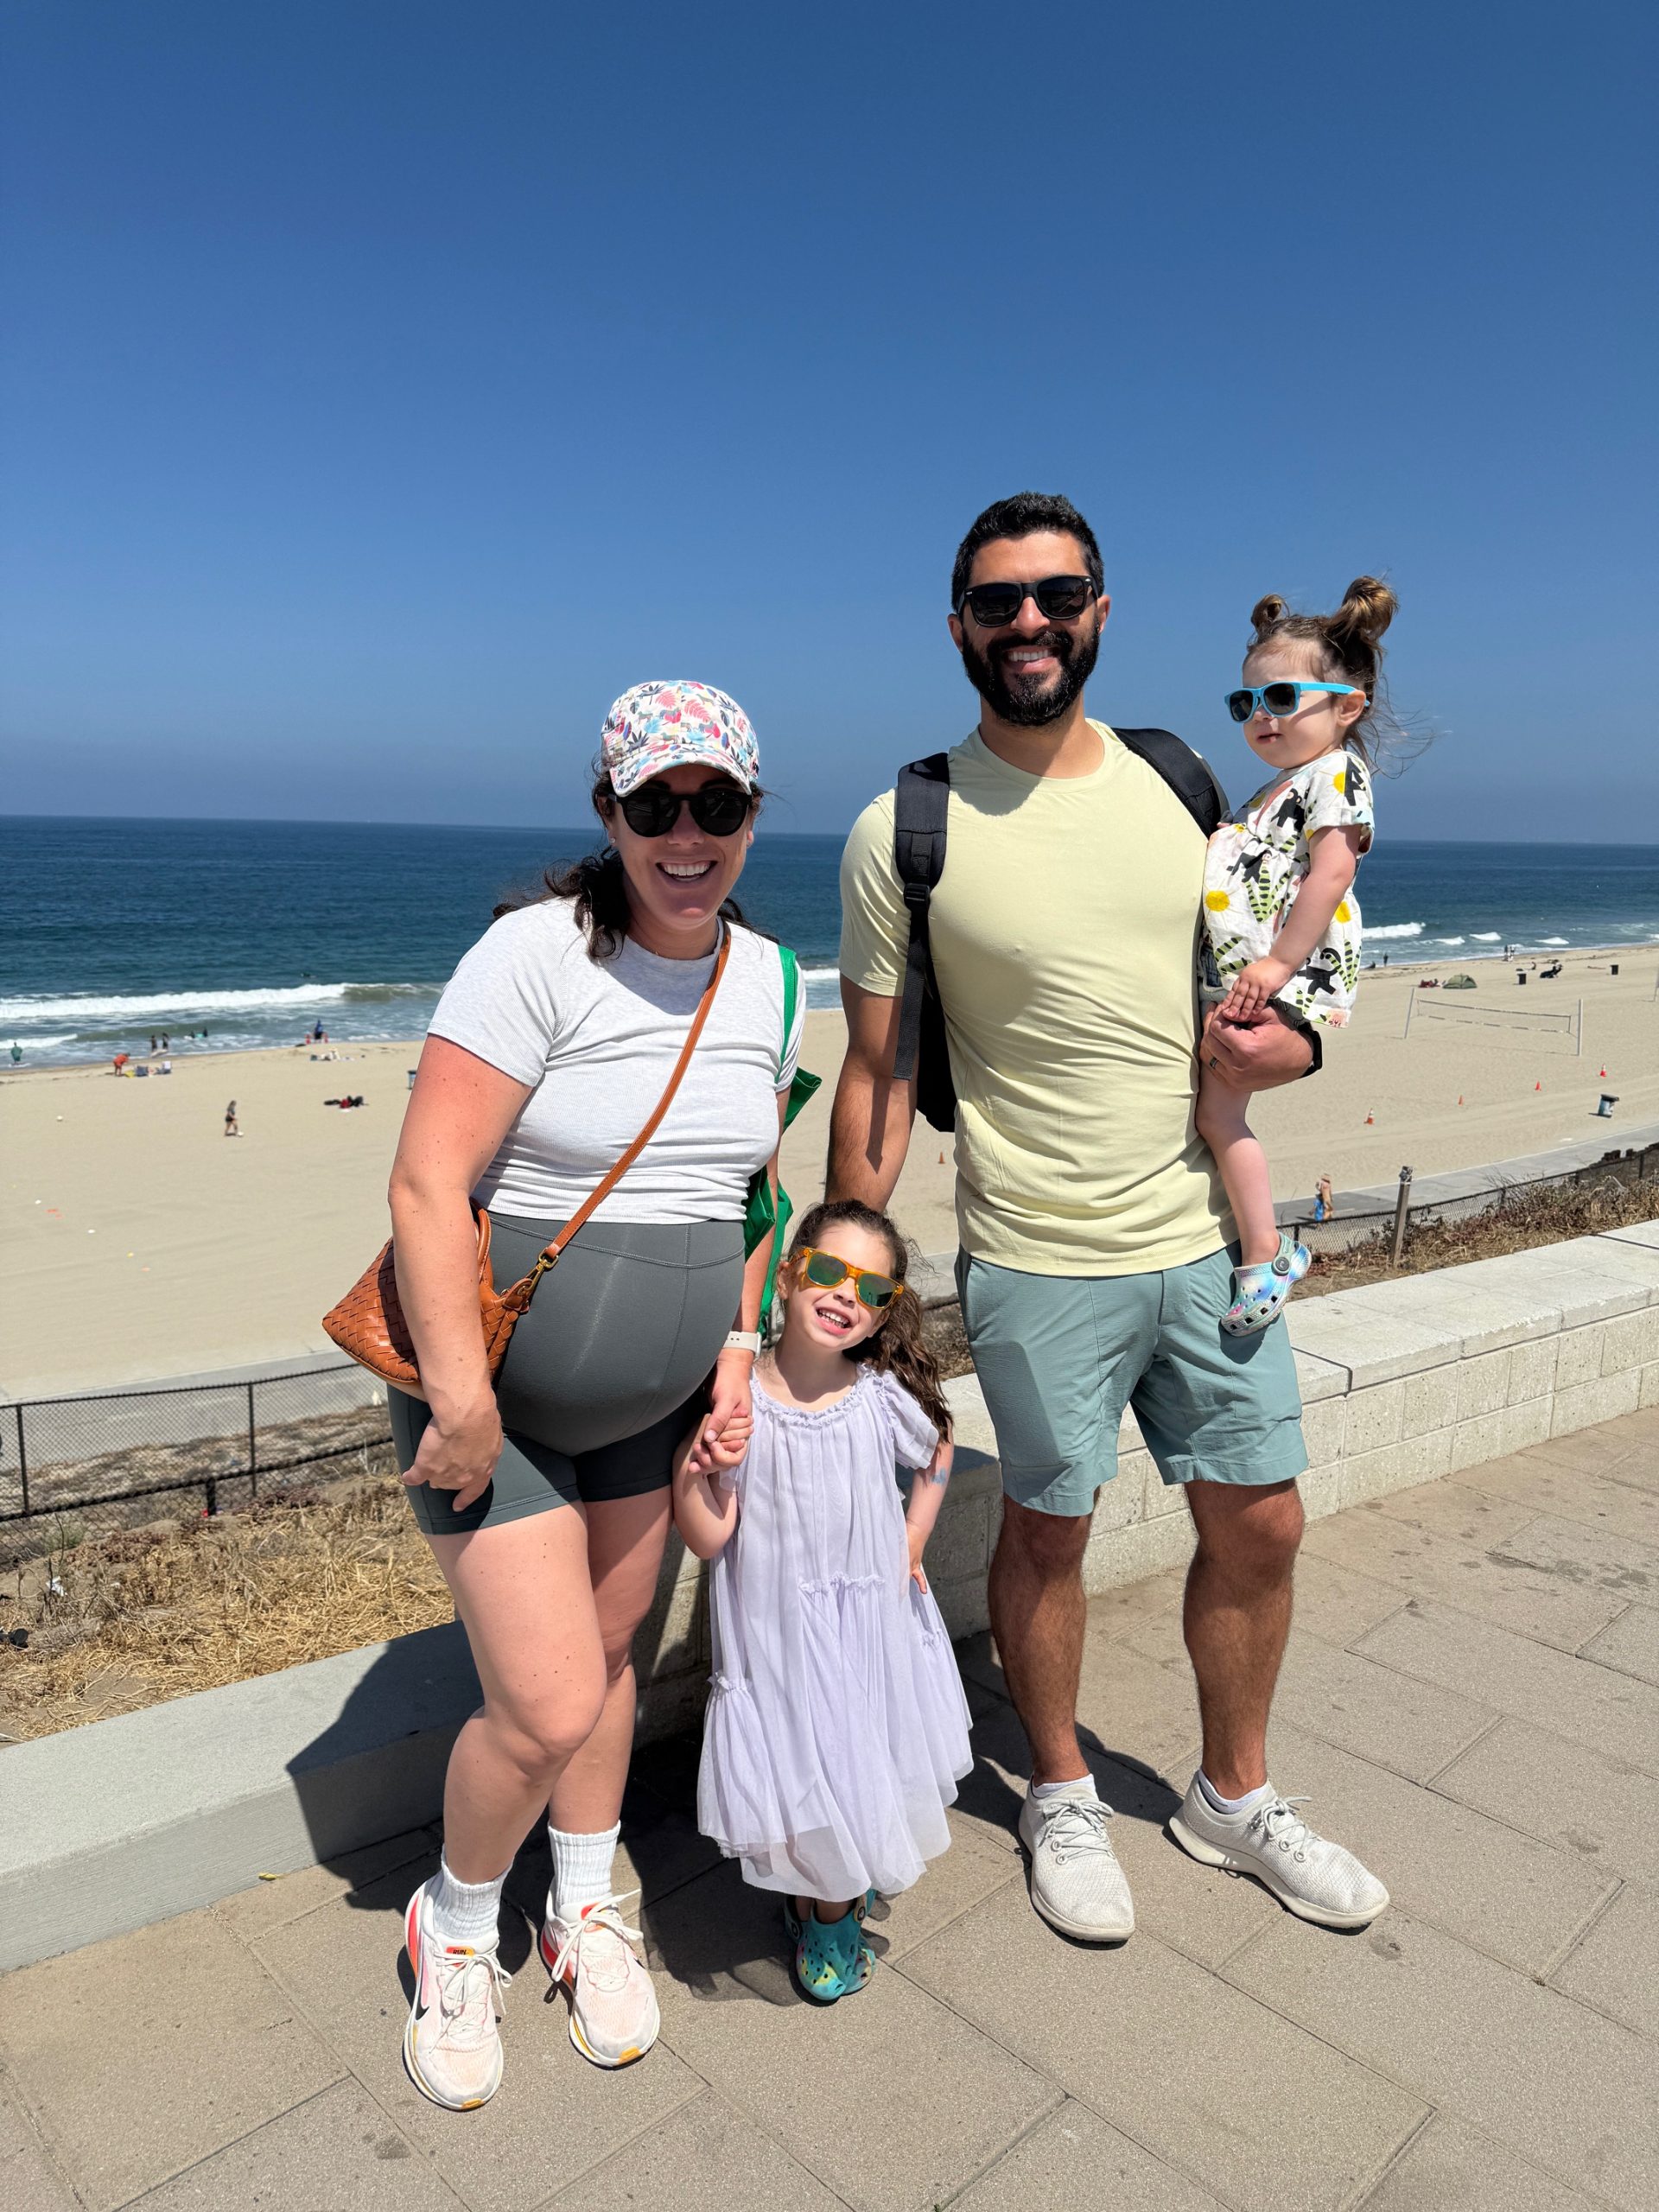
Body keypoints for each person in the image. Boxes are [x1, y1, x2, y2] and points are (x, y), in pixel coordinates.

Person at [831, 492, 1388, 1949]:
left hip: (1209, 1239)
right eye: (1001, 601)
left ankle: (1234, 1797)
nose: (1031, 623)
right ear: (959, 624)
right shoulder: (905, 826)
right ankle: (1062, 1790)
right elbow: (881, 1070)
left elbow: (1282, 948)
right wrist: (834, 1275)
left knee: (1262, 1521)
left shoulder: (1185, 779)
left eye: (1058, 595)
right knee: (1047, 1533)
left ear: (1100, 612)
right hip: (1034, 1252)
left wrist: (1306, 1048)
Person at [386, 681, 802, 2113]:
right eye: (656, 805)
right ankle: (452, 1924)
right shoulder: (533, 955)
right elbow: (429, 1182)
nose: (688, 834)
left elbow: (751, 1196)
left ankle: (580, 1903)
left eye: (718, 804)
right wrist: (457, 1396)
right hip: (487, 1403)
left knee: (615, 1659)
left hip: (659, 1404)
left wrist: (737, 1358)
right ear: (609, 813)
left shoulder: (772, 979)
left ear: (754, 812)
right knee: (548, 1697)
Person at [675, 1199, 970, 2003]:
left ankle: (831, 1907)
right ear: (791, 1269)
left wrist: (914, 1536)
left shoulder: (879, 1394)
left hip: (867, 1624)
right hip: (776, 1634)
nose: (846, 1295)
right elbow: (707, 1536)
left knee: (859, 1752)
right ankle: (823, 1891)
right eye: (831, 1271)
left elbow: (938, 1444)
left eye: (871, 1288)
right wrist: (693, 1468)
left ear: (885, 1311)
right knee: (805, 1763)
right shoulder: (739, 1401)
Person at [1196, 581, 1393, 1332]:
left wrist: (1278, 965)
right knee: (1216, 1115)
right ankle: (1262, 1253)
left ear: (1347, 704)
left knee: (1219, 1112)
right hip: (1249, 978)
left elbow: (1333, 873)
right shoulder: (1277, 789)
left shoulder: (1336, 772)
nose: (1262, 717)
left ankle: (1265, 1255)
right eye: (1246, 704)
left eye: (1281, 696)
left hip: (1282, 979)